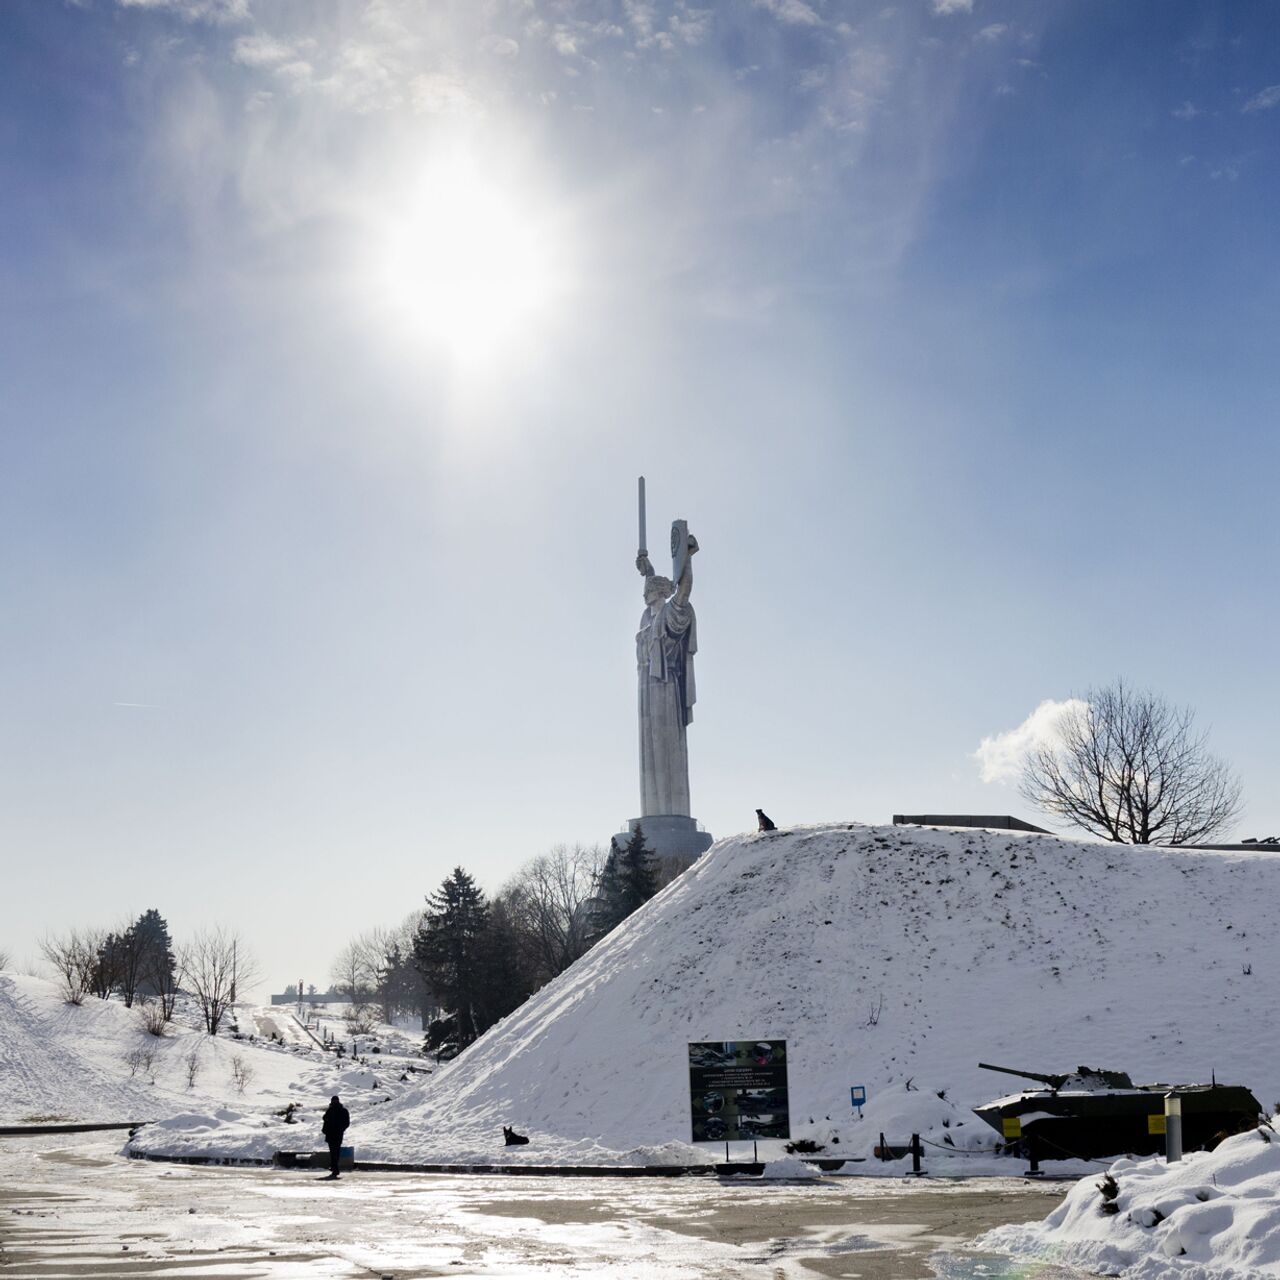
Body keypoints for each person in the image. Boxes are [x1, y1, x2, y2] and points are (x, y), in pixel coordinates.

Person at [321, 1095, 350, 1179]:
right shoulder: (342, 1110)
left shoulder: (331, 1110)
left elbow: (325, 1119)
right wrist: (341, 1129)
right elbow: (346, 1123)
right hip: (337, 1134)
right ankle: (334, 1168)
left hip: (332, 1134)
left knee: (333, 1152)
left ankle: (335, 1168)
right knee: (335, 1152)